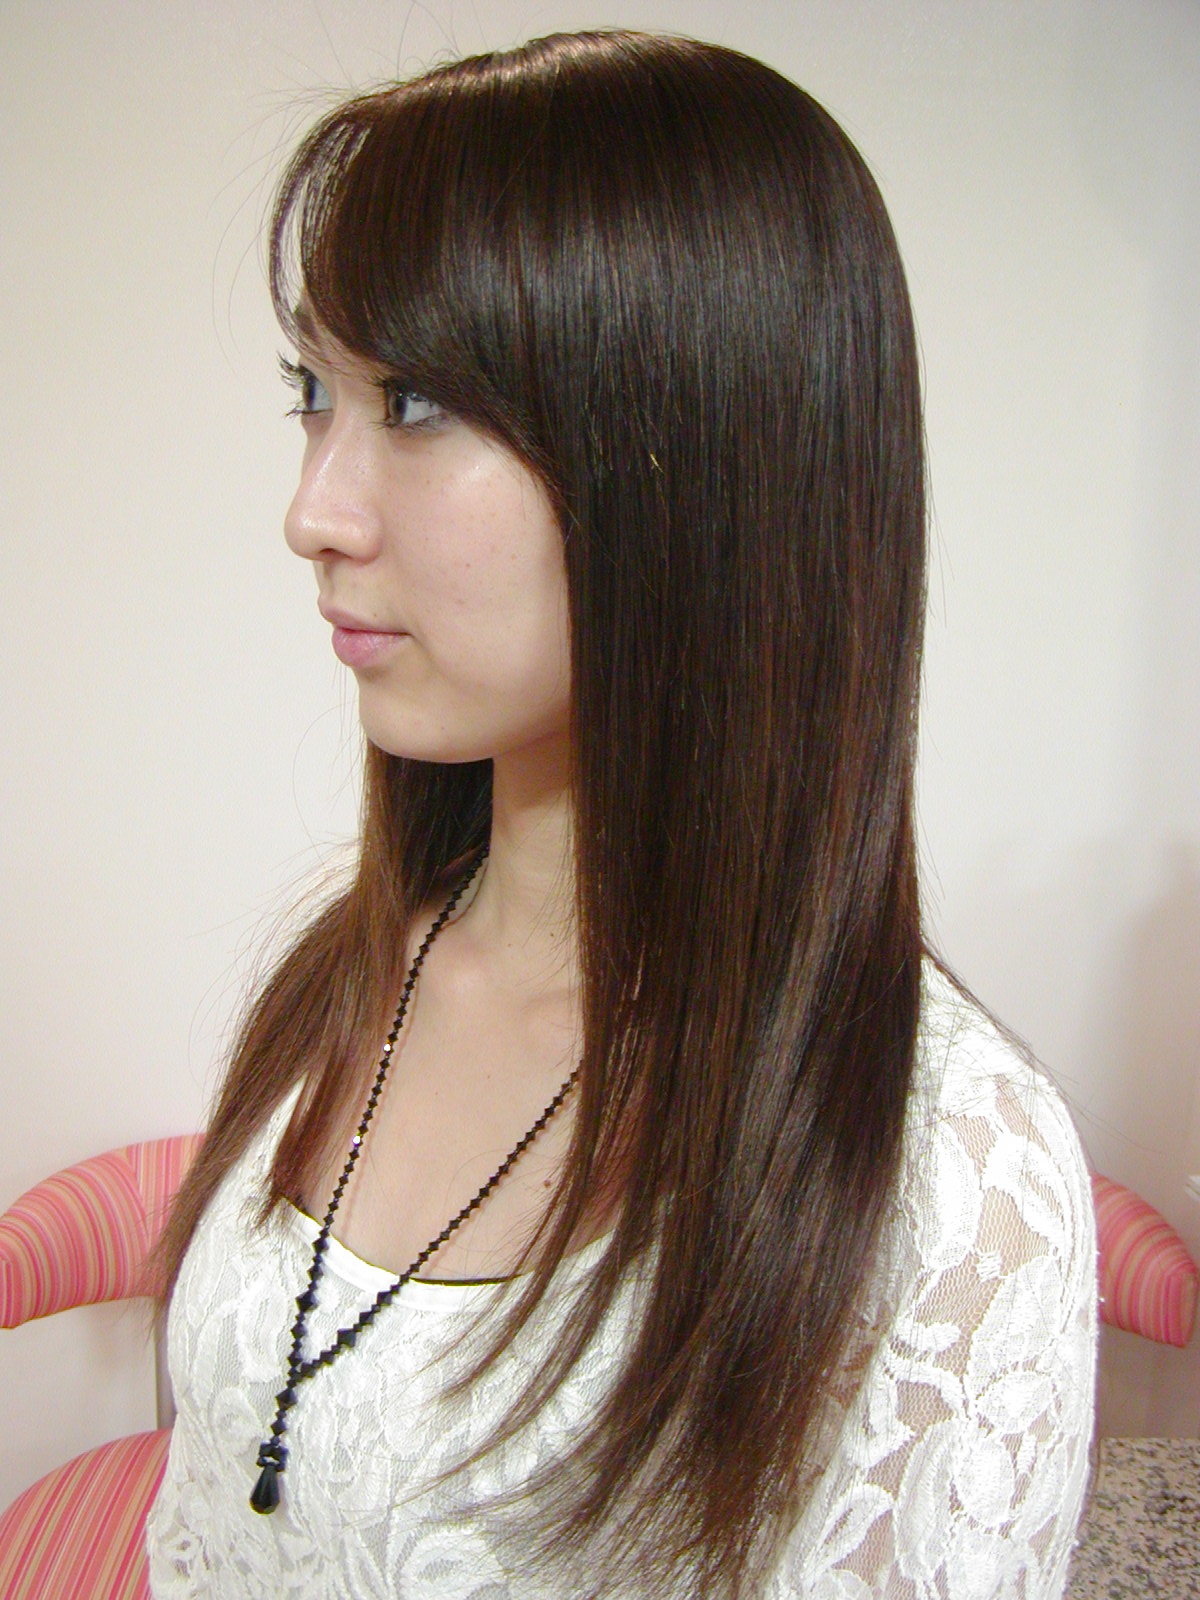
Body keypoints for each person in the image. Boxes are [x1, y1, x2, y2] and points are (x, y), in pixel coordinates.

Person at [147, 28, 1096, 1599]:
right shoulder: (348, 977)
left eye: (417, 401)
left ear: (705, 458)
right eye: (312, 393)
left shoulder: (942, 1179)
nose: (312, 510)